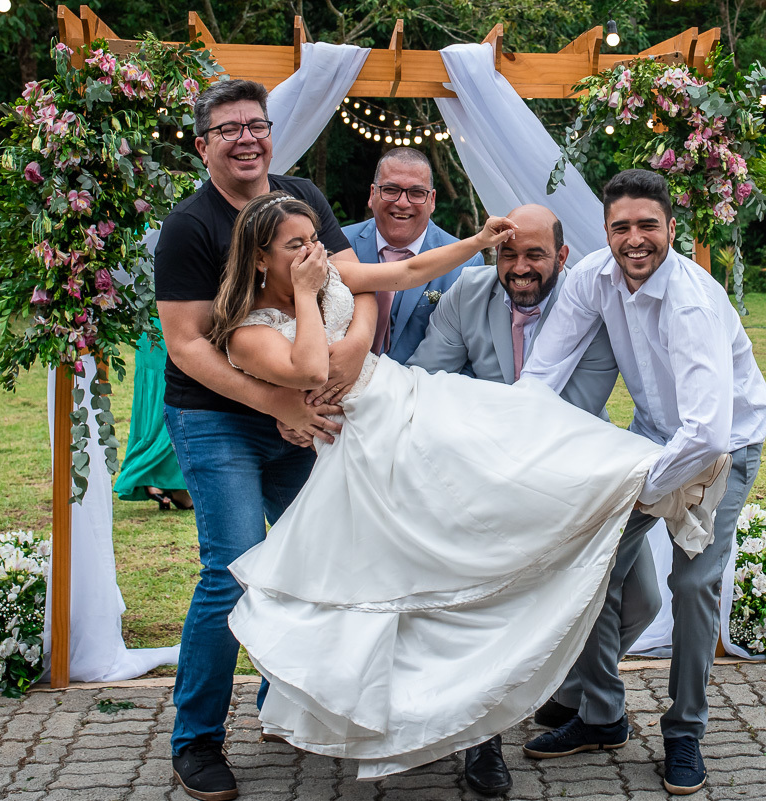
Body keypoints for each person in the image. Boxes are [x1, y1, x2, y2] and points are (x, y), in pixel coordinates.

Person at [220, 190, 729, 783]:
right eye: (296, 245)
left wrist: (476, 244)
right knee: (421, 579)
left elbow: (403, 273)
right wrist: (312, 300)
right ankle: (460, 723)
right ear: (259, 259)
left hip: (407, 398)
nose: (314, 252)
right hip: (367, 443)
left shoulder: (333, 274)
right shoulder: (246, 332)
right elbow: (311, 368)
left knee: (511, 539)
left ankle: (663, 484)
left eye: (314, 239)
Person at [154, 79, 375, 801]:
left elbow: (355, 281)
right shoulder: (189, 227)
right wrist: (278, 400)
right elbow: (186, 347)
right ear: (203, 145)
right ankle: (197, 741)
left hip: (302, 411)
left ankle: (283, 703)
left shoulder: (301, 194)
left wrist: (354, 351)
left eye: (256, 124)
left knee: (322, 557)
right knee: (235, 567)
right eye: (228, 129)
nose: (246, 137)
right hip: (217, 417)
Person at [520, 169, 766, 796]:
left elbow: (708, 435)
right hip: (655, 437)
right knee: (592, 563)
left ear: (671, 228)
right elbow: (542, 373)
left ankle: (685, 730)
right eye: (621, 227)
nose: (635, 240)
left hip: (725, 448)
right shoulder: (591, 279)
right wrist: (507, 439)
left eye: (648, 226)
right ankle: (602, 715)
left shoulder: (691, 301)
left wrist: (638, 487)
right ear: (606, 229)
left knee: (692, 583)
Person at [406, 204, 663, 796]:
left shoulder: (592, 308)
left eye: (534, 255)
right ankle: (481, 737)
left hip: (571, 474)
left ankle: (563, 692)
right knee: (484, 608)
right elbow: (428, 377)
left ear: (562, 257)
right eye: (508, 254)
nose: (519, 268)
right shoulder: (467, 294)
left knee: (639, 602)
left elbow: (574, 404)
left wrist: (478, 410)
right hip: (480, 480)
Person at [343, 147, 483, 362]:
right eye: (390, 189)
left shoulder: (465, 263)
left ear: (432, 200)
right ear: (372, 194)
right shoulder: (339, 245)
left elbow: (470, 352)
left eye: (417, 193)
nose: (402, 202)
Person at [112, 319, 193, 511]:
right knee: (171, 386)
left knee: (159, 392)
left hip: (151, 314)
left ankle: (161, 481)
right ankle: (161, 478)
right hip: (166, 315)